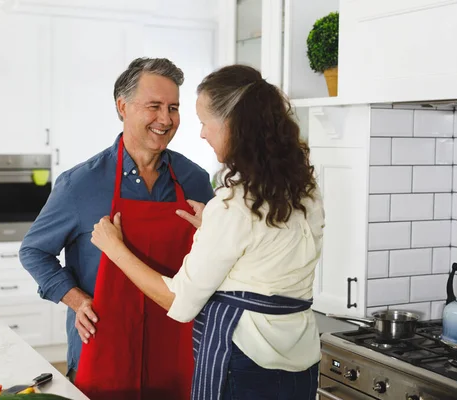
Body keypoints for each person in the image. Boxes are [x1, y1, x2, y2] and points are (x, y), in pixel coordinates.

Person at [91, 64, 325, 400]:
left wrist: (115, 249)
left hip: (246, 364)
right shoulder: (305, 190)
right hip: (300, 358)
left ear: (233, 126)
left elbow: (180, 302)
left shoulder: (233, 203)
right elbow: (267, 253)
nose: (201, 133)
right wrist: (213, 227)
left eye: (205, 122)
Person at [19, 57, 215, 399]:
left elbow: (215, 259)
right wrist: (77, 300)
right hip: (104, 346)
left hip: (178, 348)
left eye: (173, 108)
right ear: (122, 106)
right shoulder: (80, 183)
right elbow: (34, 251)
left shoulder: (194, 180)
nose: (166, 119)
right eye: (154, 106)